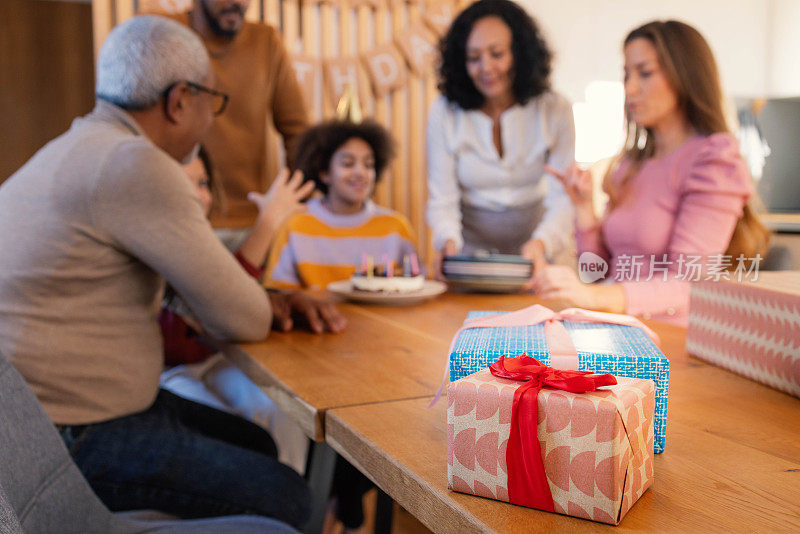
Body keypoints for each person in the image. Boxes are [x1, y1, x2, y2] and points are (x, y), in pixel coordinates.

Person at [0, 15, 339, 528]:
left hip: (39, 420)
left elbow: (201, 288)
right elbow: (242, 318)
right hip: (69, 432)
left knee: (257, 441)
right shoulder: (135, 163)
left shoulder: (79, 146)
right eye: (213, 102)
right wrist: (261, 301)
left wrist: (271, 296)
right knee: (288, 496)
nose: (213, 119)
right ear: (180, 100)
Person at [533, 20, 769, 326]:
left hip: (668, 339)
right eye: (627, 74)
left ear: (685, 75)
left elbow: (689, 283)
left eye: (644, 73)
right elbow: (598, 273)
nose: (629, 88)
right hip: (611, 327)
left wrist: (593, 297)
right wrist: (583, 209)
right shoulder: (632, 165)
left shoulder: (714, 160)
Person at [160, 147, 331, 474]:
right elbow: (219, 305)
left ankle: (288, 508)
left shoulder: (209, 242)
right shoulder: (158, 241)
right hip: (167, 371)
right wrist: (267, 223)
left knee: (283, 410)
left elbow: (233, 298)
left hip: (212, 359)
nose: (199, 196)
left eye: (203, 183)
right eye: (186, 185)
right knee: (235, 437)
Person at [426, 0, 575, 276]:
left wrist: (541, 244)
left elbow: (562, 198)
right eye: (473, 58)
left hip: (538, 253)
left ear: (520, 54)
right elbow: (442, 200)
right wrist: (447, 242)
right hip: (468, 255)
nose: (486, 68)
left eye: (497, 54)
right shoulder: (444, 111)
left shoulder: (555, 109)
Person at [160, 0, 310, 231]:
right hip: (180, 221)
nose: (239, 3)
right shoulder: (164, 32)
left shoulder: (266, 41)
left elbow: (297, 132)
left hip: (254, 220)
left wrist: (297, 205)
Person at [266, 119, 417, 290]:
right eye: (348, 163)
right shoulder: (295, 225)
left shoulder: (396, 227)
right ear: (324, 173)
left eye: (368, 165)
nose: (361, 173)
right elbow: (278, 293)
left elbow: (417, 285)